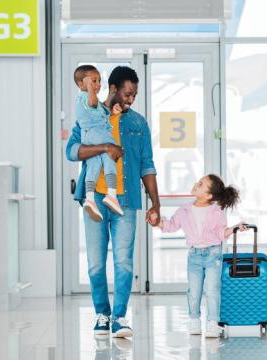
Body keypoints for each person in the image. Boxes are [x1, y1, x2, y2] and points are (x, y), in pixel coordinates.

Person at [66, 66, 161, 339]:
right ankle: (102, 314)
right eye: (128, 94)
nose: (131, 100)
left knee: (124, 263)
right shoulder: (89, 114)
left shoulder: (138, 124)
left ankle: (119, 317)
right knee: (95, 263)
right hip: (94, 199)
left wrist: (155, 203)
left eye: (134, 95)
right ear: (113, 88)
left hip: (126, 200)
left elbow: (147, 165)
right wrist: (105, 148)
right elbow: (72, 151)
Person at [153, 174, 247, 338]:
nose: (197, 183)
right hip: (194, 256)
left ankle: (212, 323)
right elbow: (171, 226)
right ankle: (195, 321)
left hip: (214, 255)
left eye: (201, 184)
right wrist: (158, 221)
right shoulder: (184, 210)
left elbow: (220, 233)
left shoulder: (217, 211)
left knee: (212, 290)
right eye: (199, 181)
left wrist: (235, 228)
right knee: (194, 292)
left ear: (209, 195)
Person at [73, 64, 123, 220]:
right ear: (81, 84)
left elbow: (99, 111)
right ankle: (112, 194)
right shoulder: (84, 96)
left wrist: (111, 112)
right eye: (93, 81)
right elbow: (93, 103)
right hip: (97, 134)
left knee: (93, 166)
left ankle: (90, 198)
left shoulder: (89, 98)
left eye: (99, 81)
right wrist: (90, 88)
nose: (98, 84)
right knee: (111, 156)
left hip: (90, 137)